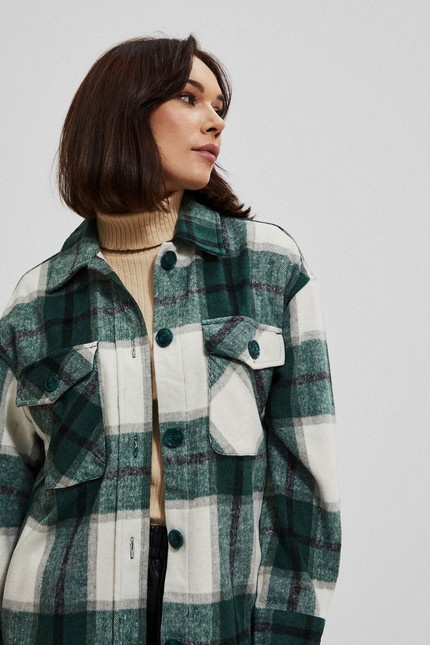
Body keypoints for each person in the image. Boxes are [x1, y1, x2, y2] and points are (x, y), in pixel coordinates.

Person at [0, 35, 341, 645]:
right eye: (189, 98)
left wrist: (287, 628)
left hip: (219, 614)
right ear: (124, 112)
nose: (215, 121)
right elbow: (6, 488)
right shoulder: (37, 301)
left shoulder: (268, 269)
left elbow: (304, 483)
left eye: (219, 107)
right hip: (58, 619)